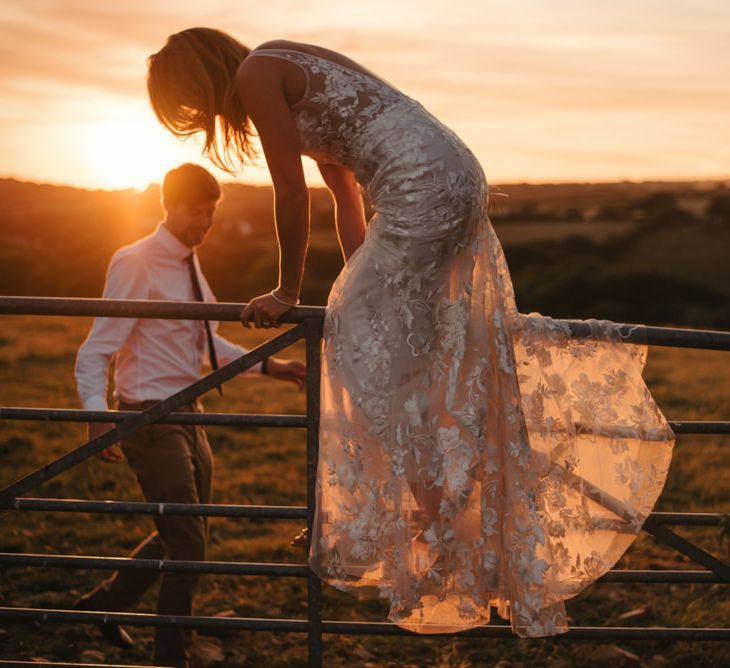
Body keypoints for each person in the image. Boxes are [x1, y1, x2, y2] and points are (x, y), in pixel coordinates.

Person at [146, 30, 675, 638]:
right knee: (396, 343)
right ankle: (442, 503)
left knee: (359, 347)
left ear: (200, 78)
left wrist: (289, 292)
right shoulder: (281, 61)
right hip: (452, 172)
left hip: (419, 185)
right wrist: (357, 280)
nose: (198, 115)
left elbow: (291, 193)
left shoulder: (256, 76)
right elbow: (343, 190)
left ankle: (439, 516)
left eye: (188, 101)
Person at [73, 163, 306, 667]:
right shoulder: (136, 262)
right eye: (196, 212)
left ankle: (104, 608)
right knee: (188, 545)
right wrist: (98, 415)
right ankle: (171, 655)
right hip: (149, 419)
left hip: (190, 413)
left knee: (180, 532)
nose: (205, 223)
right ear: (170, 205)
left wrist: (273, 366)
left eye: (210, 213)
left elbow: (204, 341)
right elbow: (95, 350)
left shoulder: (189, 263)